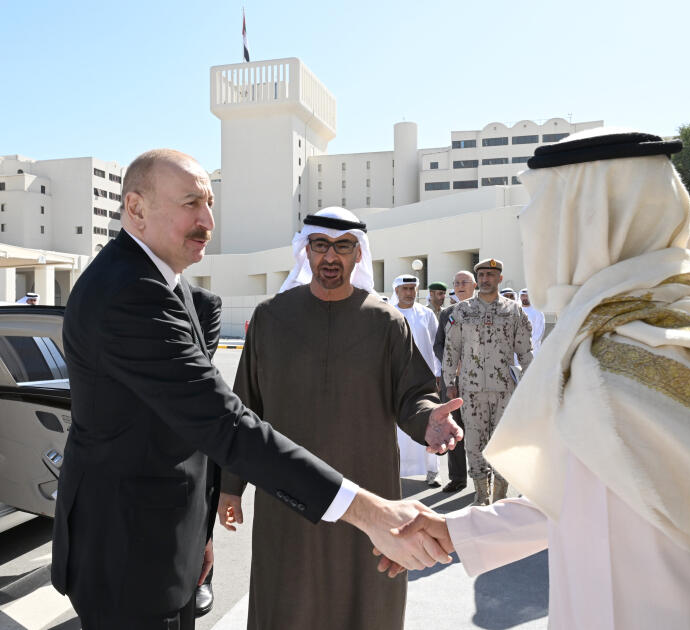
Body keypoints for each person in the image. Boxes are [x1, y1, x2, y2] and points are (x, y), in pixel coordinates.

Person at [393, 129, 690, 628]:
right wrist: (460, 531)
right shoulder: (686, 329)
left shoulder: (620, 366)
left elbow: (627, 581)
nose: (531, 231)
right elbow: (590, 496)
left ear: (588, 226)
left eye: (545, 212)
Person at [52, 150, 459, 629]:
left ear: (358, 253)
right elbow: (229, 415)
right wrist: (366, 512)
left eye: (209, 204)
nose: (208, 222)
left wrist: (197, 534)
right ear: (136, 209)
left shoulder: (172, 287)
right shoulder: (137, 294)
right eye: (190, 204)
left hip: (184, 537)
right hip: (135, 549)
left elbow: (411, 391)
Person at [216, 207, 462, 630]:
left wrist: (428, 421)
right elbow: (245, 408)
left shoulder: (386, 323)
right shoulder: (271, 318)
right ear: (306, 251)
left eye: (343, 247)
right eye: (321, 245)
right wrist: (230, 486)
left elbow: (413, 395)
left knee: (365, 599)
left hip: (369, 492)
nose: (331, 257)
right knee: (286, 600)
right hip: (287, 493)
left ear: (358, 254)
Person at [442, 259, 533, 505]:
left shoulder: (514, 311)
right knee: (474, 443)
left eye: (490, 275)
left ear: (499, 278)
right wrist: (449, 381)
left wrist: (530, 384)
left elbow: (525, 351)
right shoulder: (462, 311)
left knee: (502, 444)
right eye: (481, 275)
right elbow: (451, 348)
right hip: (470, 391)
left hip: (505, 390)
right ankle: (482, 495)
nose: (485, 279)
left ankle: (500, 496)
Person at [189, 285, 222, 617]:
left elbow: (199, 358)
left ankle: (202, 576)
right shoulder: (119, 291)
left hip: (193, 416)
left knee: (202, 500)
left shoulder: (204, 302)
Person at [390, 274, 442, 487]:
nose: (409, 293)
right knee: (396, 427)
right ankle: (396, 470)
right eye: (405, 289)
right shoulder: (388, 314)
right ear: (396, 291)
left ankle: (433, 471)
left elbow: (436, 344)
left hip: (423, 380)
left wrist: (438, 373)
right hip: (396, 379)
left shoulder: (426, 314)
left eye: (413, 288)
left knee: (429, 421)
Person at [433, 270, 477, 493]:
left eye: (464, 282)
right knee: (453, 428)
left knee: (480, 430)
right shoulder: (447, 313)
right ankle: (458, 478)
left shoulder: (484, 310)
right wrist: (452, 362)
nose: (460, 286)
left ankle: (482, 478)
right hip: (453, 382)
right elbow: (438, 345)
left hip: (479, 382)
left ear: (474, 285)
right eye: (456, 282)